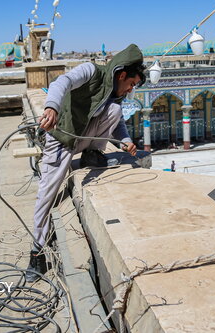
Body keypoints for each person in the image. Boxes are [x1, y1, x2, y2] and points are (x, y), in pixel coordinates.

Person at [27, 44, 146, 282]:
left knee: (114, 110)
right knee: (46, 195)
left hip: (84, 140)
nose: (130, 89)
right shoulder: (91, 71)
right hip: (62, 139)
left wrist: (125, 141)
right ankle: (36, 251)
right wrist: (51, 107)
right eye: (131, 84)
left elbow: (117, 121)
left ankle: (93, 153)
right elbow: (62, 82)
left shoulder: (114, 96)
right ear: (122, 75)